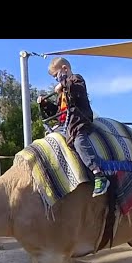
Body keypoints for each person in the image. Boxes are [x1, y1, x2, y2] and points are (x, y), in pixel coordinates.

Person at [38, 57, 109, 197]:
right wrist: (45, 104)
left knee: (79, 141)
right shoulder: (61, 95)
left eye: (56, 76)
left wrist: (64, 84)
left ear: (65, 69)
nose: (56, 80)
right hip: (64, 125)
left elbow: (76, 90)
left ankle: (98, 174)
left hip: (79, 123)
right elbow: (59, 113)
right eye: (55, 78)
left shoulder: (77, 80)